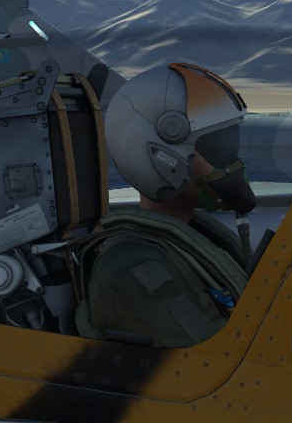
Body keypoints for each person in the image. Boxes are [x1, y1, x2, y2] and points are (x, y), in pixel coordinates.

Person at [74, 63, 259, 347]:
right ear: (162, 158)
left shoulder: (195, 240)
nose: (231, 165)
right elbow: (222, 359)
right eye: (215, 148)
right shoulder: (134, 275)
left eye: (229, 146)